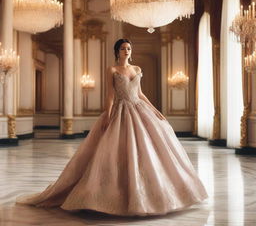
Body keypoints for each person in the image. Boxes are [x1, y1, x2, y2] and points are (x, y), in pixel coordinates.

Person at [17, 39, 208, 216]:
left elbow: (140, 93)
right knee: (116, 151)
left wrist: (155, 110)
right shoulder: (112, 69)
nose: (127, 51)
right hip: (120, 109)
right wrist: (108, 116)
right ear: (117, 51)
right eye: (123, 48)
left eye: (129, 48)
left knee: (150, 149)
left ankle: (154, 194)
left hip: (139, 109)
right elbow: (109, 95)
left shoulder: (137, 68)